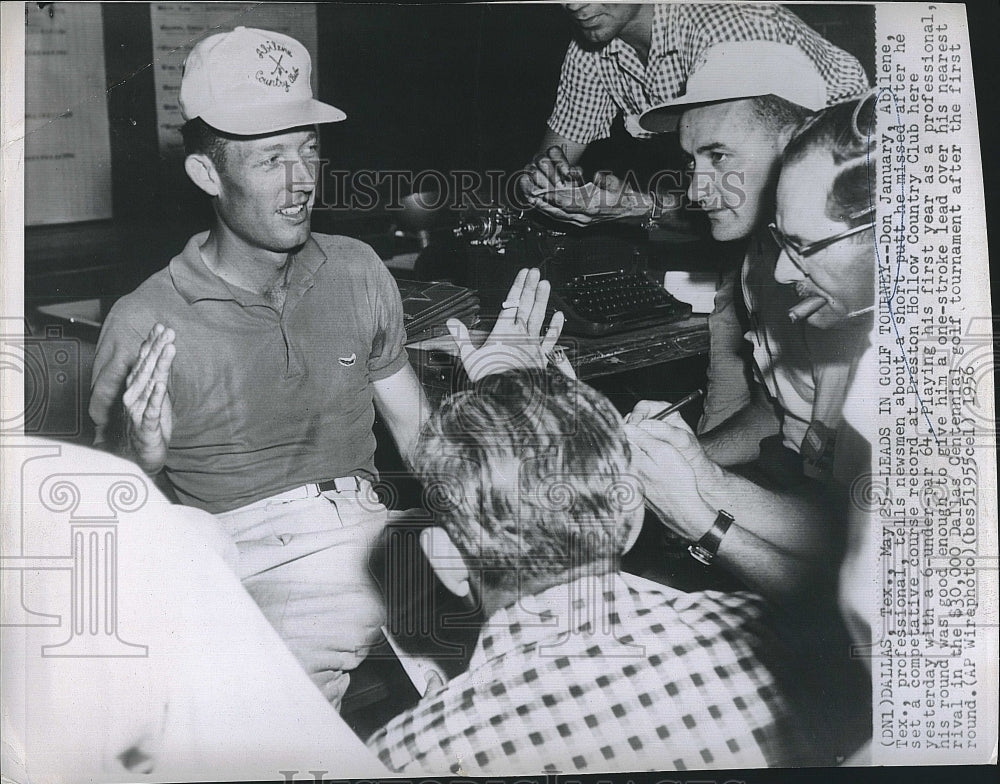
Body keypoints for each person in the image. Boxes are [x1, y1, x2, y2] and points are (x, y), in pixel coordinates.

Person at [88, 27, 564, 709]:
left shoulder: (356, 268)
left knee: (544, 637)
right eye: (271, 157)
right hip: (257, 554)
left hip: (380, 527)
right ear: (206, 174)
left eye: (309, 150)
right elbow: (110, 512)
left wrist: (502, 400)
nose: (301, 179)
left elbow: (422, 444)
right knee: (277, 717)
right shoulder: (145, 320)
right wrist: (139, 450)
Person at [366, 368, 820, 774]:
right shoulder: (769, 636)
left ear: (445, 560)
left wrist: (440, 728)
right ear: (632, 520)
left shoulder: (405, 754)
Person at [625, 94, 878, 607]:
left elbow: (864, 623)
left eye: (720, 156)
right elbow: (835, 527)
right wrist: (701, 471)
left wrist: (703, 524)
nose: (783, 273)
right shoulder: (765, 271)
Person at [519, 2, 870, 227]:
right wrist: (541, 181)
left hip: (853, 193)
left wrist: (634, 207)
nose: (572, 3)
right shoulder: (591, 50)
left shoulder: (726, 26)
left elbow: (753, 202)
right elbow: (550, 163)